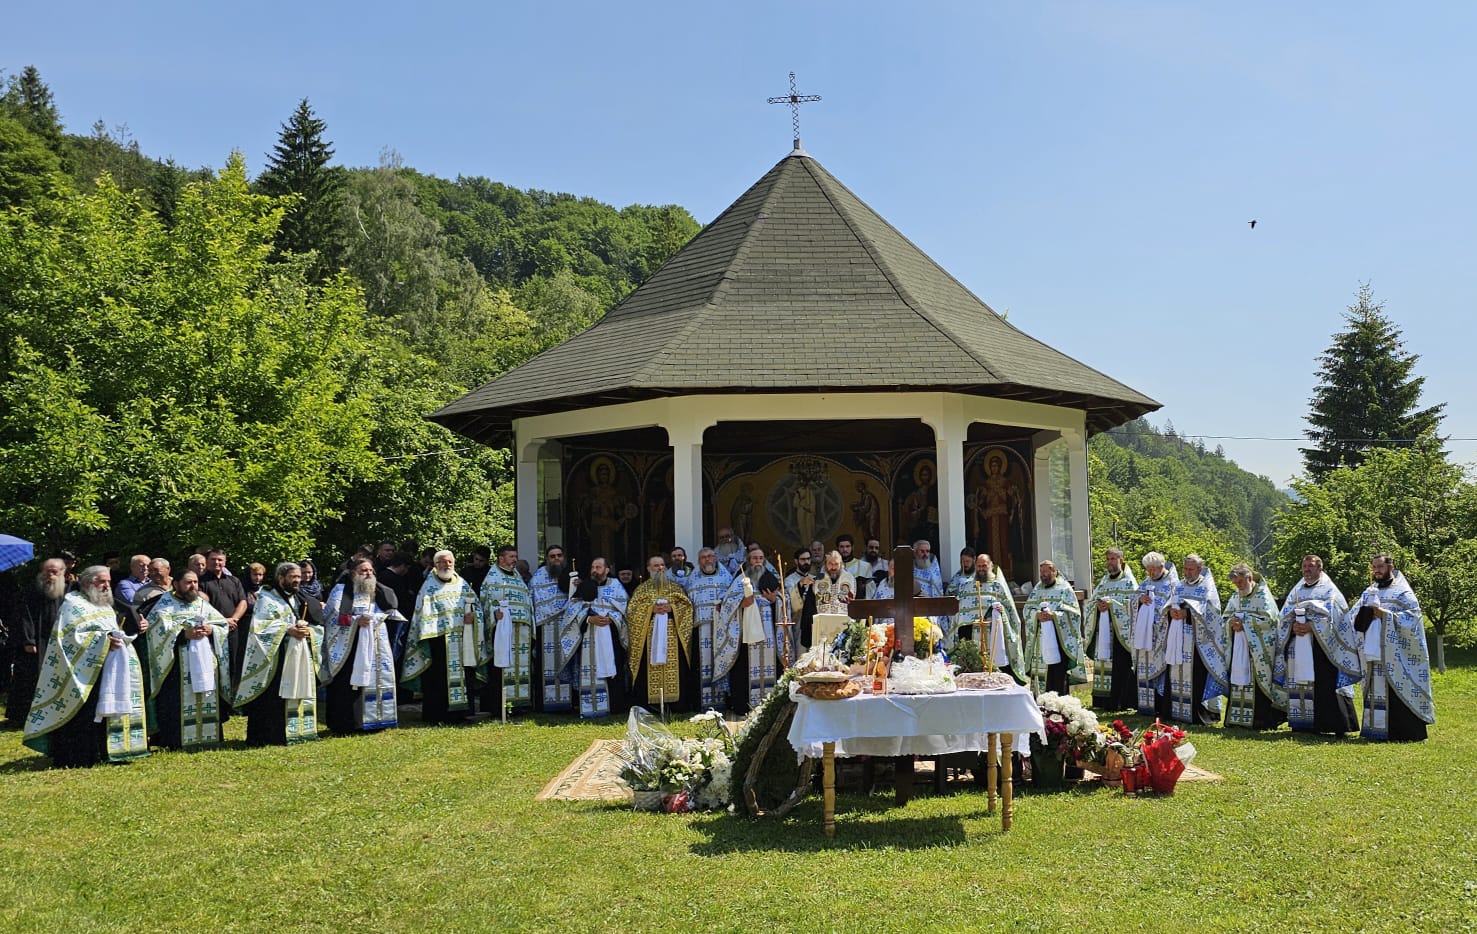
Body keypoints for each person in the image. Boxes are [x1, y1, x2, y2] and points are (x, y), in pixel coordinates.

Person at [23, 566, 150, 767]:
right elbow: (70, 637)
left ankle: (103, 751)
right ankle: (77, 756)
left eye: (108, 581)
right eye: (102, 581)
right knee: (83, 712)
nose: (107, 585)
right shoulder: (73, 604)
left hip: (105, 667)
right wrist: (104, 640)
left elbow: (110, 629)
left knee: (103, 710)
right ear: (88, 583)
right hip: (79, 671)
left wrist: (118, 636)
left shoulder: (105, 605)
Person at [141, 570, 231, 750]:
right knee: (175, 702)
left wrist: (210, 629)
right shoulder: (164, 604)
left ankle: (208, 737)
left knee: (207, 697)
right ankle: (176, 740)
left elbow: (222, 624)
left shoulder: (202, 604)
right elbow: (156, 633)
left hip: (205, 661)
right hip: (176, 665)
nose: (193, 586)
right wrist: (183, 634)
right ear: (176, 584)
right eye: (188, 582)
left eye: (196, 582)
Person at [236, 562, 325, 746]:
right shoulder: (267, 598)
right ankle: (270, 736)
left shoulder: (297, 598)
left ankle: (295, 732)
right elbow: (260, 625)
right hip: (274, 658)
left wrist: (308, 631)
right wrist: (288, 630)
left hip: (297, 653)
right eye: (293, 577)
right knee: (272, 698)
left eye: (299, 577)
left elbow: (316, 622)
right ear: (281, 578)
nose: (297, 581)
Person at [1350, 554, 1434, 741]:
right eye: (1374, 567)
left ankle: (1404, 732)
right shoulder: (1369, 592)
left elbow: (1413, 619)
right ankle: (1376, 731)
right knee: (1375, 690)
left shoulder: (1403, 592)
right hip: (1373, 653)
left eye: (1380, 567)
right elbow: (1354, 617)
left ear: (1390, 566)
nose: (1376, 571)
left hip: (1397, 654)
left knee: (1397, 690)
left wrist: (1384, 615)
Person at [1275, 554, 1360, 735]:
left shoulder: (1329, 590)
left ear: (1320, 568)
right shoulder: (1296, 591)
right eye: (1304, 566)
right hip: (1298, 644)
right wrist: (1293, 627)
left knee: (1324, 684)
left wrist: (1311, 627)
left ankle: (1331, 725)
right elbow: (1283, 616)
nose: (1307, 569)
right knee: (1299, 683)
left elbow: (1335, 617)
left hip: (1323, 648)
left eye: (1311, 566)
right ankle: (1302, 724)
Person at [319, 557, 399, 734]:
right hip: (348, 646)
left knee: (372, 681)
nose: (368, 574)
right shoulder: (340, 591)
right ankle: (345, 724)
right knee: (346, 684)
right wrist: (356, 621)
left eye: (370, 570)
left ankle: (372, 721)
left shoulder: (375, 590)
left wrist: (378, 618)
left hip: (373, 643)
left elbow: (385, 610)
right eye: (364, 571)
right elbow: (331, 618)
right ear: (354, 573)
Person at [402, 550, 482, 725]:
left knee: (464, 675)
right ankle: (438, 715)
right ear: (435, 565)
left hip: (462, 638)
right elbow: (422, 614)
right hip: (438, 640)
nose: (447, 565)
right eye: (443, 563)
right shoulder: (429, 587)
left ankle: (462, 713)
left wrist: (473, 616)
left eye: (450, 562)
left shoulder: (462, 584)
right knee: (438, 679)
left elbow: (476, 607)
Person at [1156, 554, 1226, 726]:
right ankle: (1172, 711)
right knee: (1173, 673)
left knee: (1195, 676)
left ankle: (1196, 714)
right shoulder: (1178, 586)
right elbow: (1167, 606)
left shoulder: (1207, 587)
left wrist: (1188, 613)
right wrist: (1170, 612)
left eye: (1191, 569)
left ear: (1199, 569)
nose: (1187, 572)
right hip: (1177, 638)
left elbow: (1212, 612)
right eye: (1185, 569)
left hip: (1197, 644)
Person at [559, 557, 630, 718]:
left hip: (611, 634)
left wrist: (611, 618)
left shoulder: (616, 586)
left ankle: (615, 706)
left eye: (598, 567)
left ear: (606, 570)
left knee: (614, 666)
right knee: (591, 669)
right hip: (589, 636)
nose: (594, 570)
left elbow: (625, 611)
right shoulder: (584, 586)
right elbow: (573, 610)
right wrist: (590, 618)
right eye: (593, 567)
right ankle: (591, 706)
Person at [626, 555, 696, 712]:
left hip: (673, 638)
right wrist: (650, 609)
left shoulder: (676, 588)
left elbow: (687, 607)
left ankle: (677, 705)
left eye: (662, 565)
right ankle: (650, 706)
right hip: (649, 638)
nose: (660, 569)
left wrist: (673, 608)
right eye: (656, 566)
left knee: (676, 669)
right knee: (647, 669)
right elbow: (632, 612)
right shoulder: (642, 589)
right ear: (649, 569)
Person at [1222, 563, 1286, 730]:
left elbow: (1271, 622)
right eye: (1236, 584)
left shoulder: (1263, 595)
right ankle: (1237, 720)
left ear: (1249, 578)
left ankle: (1260, 721)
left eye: (1241, 582)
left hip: (1258, 652)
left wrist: (1246, 624)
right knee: (1238, 680)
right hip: (1239, 649)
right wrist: (1231, 624)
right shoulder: (1236, 596)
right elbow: (1225, 618)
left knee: (1258, 684)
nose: (1238, 586)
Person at [719, 544, 781, 712]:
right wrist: (741, 603)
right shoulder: (740, 579)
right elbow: (727, 603)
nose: (758, 562)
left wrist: (776, 601)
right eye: (755, 558)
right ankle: (744, 705)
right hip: (746, 632)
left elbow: (784, 599)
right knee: (745, 666)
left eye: (761, 558)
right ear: (748, 561)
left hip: (769, 633)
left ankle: (771, 706)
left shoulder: (771, 577)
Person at [6, 557, 68, 726]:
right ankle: (21, 716)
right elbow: (22, 617)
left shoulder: (66, 593)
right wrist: (28, 640)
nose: (51, 575)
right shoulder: (30, 591)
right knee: (29, 678)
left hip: (56, 642)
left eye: (55, 571)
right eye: (48, 571)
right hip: (34, 644)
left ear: (63, 573)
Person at [480, 545, 536, 713]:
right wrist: (493, 613)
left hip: (522, 630)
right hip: (503, 629)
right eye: (511, 556)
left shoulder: (518, 577)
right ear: (501, 559)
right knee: (503, 667)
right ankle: (500, 706)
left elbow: (527, 601)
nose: (514, 560)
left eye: (515, 556)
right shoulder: (492, 577)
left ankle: (521, 704)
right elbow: (485, 601)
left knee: (522, 667)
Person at [952, 553, 1025, 680]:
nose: (981, 569)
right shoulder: (967, 586)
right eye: (979, 566)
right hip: (972, 632)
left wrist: (999, 612)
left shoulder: (998, 586)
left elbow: (1009, 609)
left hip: (994, 632)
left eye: (984, 566)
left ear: (991, 565)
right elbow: (960, 611)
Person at [683, 547, 735, 711]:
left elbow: (732, 599)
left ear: (716, 558)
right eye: (704, 557)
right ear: (699, 561)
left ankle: (725, 702)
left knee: (723, 659)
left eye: (711, 556)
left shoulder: (726, 578)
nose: (708, 560)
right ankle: (702, 703)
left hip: (722, 628)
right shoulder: (692, 580)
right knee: (702, 665)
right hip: (701, 630)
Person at [1086, 547, 1139, 710]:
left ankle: (1122, 702)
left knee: (1121, 666)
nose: (1110, 562)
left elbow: (1134, 605)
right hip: (1104, 630)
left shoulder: (1129, 581)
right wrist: (1098, 606)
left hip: (1121, 633)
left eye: (1113, 559)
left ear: (1121, 561)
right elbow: (1091, 604)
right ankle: (1103, 701)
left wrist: (1112, 606)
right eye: (1108, 559)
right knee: (1104, 665)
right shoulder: (1104, 581)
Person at [1023, 559, 1084, 695]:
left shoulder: (1064, 588)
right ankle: (1041, 701)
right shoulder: (1037, 589)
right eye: (1041, 571)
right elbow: (1027, 609)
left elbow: (1074, 613)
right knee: (1043, 670)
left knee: (1058, 671)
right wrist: (1037, 615)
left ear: (1054, 571)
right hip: (1041, 639)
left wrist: (1054, 616)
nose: (1043, 574)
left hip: (1059, 638)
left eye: (1046, 571)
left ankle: (1060, 702)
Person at [1131, 552, 1178, 716]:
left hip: (1163, 635)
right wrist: (1139, 600)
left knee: (1162, 671)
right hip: (1146, 636)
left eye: (1153, 569)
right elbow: (1132, 600)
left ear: (1161, 566)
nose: (1151, 573)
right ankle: (1146, 707)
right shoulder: (1146, 582)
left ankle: (1162, 707)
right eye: (1148, 570)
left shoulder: (1172, 584)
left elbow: (1174, 605)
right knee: (1144, 670)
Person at [528, 545, 573, 713]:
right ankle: (544, 704)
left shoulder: (571, 576)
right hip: (545, 626)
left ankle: (568, 703)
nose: (556, 559)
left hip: (566, 625)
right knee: (543, 666)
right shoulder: (538, 577)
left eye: (559, 555)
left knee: (566, 661)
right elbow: (534, 602)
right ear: (547, 559)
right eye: (552, 556)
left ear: (564, 558)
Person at [199, 548, 247, 688]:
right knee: (214, 664)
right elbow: (201, 605)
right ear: (207, 561)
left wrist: (234, 619)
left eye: (220, 559)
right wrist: (223, 621)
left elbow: (242, 602)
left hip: (233, 628)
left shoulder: (234, 581)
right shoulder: (200, 582)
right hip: (211, 630)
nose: (217, 562)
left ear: (225, 562)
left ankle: (233, 699)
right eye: (213, 559)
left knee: (234, 663)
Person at [783, 546, 818, 661]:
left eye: (808, 559)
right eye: (803, 559)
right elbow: (789, 604)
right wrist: (800, 585)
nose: (806, 562)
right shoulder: (789, 580)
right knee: (801, 655)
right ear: (796, 561)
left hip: (814, 623)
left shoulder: (815, 579)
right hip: (799, 623)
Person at [813, 551, 857, 616]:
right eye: (830, 564)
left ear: (841, 564)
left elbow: (856, 606)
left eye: (836, 564)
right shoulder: (818, 579)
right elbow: (810, 606)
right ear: (825, 564)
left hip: (844, 622)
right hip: (823, 622)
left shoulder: (850, 579)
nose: (833, 567)